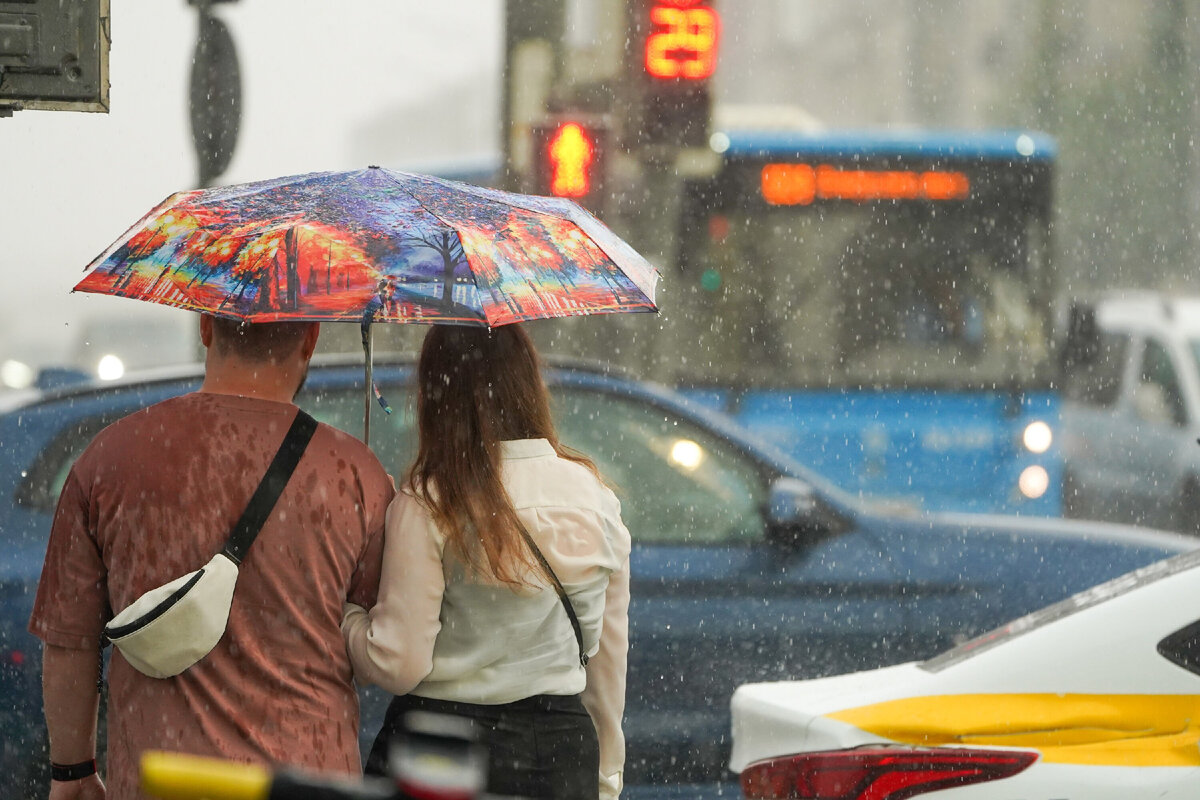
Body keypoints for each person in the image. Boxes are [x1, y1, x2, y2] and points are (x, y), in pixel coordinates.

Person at [29, 315, 394, 800]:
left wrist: (72, 773)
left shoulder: (110, 457)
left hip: (161, 781)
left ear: (205, 327)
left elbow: (69, 642)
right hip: (308, 782)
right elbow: (373, 638)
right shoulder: (355, 473)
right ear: (310, 339)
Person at [342, 324, 631, 800]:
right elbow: (606, 660)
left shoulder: (431, 500)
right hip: (562, 750)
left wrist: (347, 618)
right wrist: (605, 777)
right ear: (527, 386)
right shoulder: (595, 497)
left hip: (442, 749)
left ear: (438, 396)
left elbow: (397, 662)